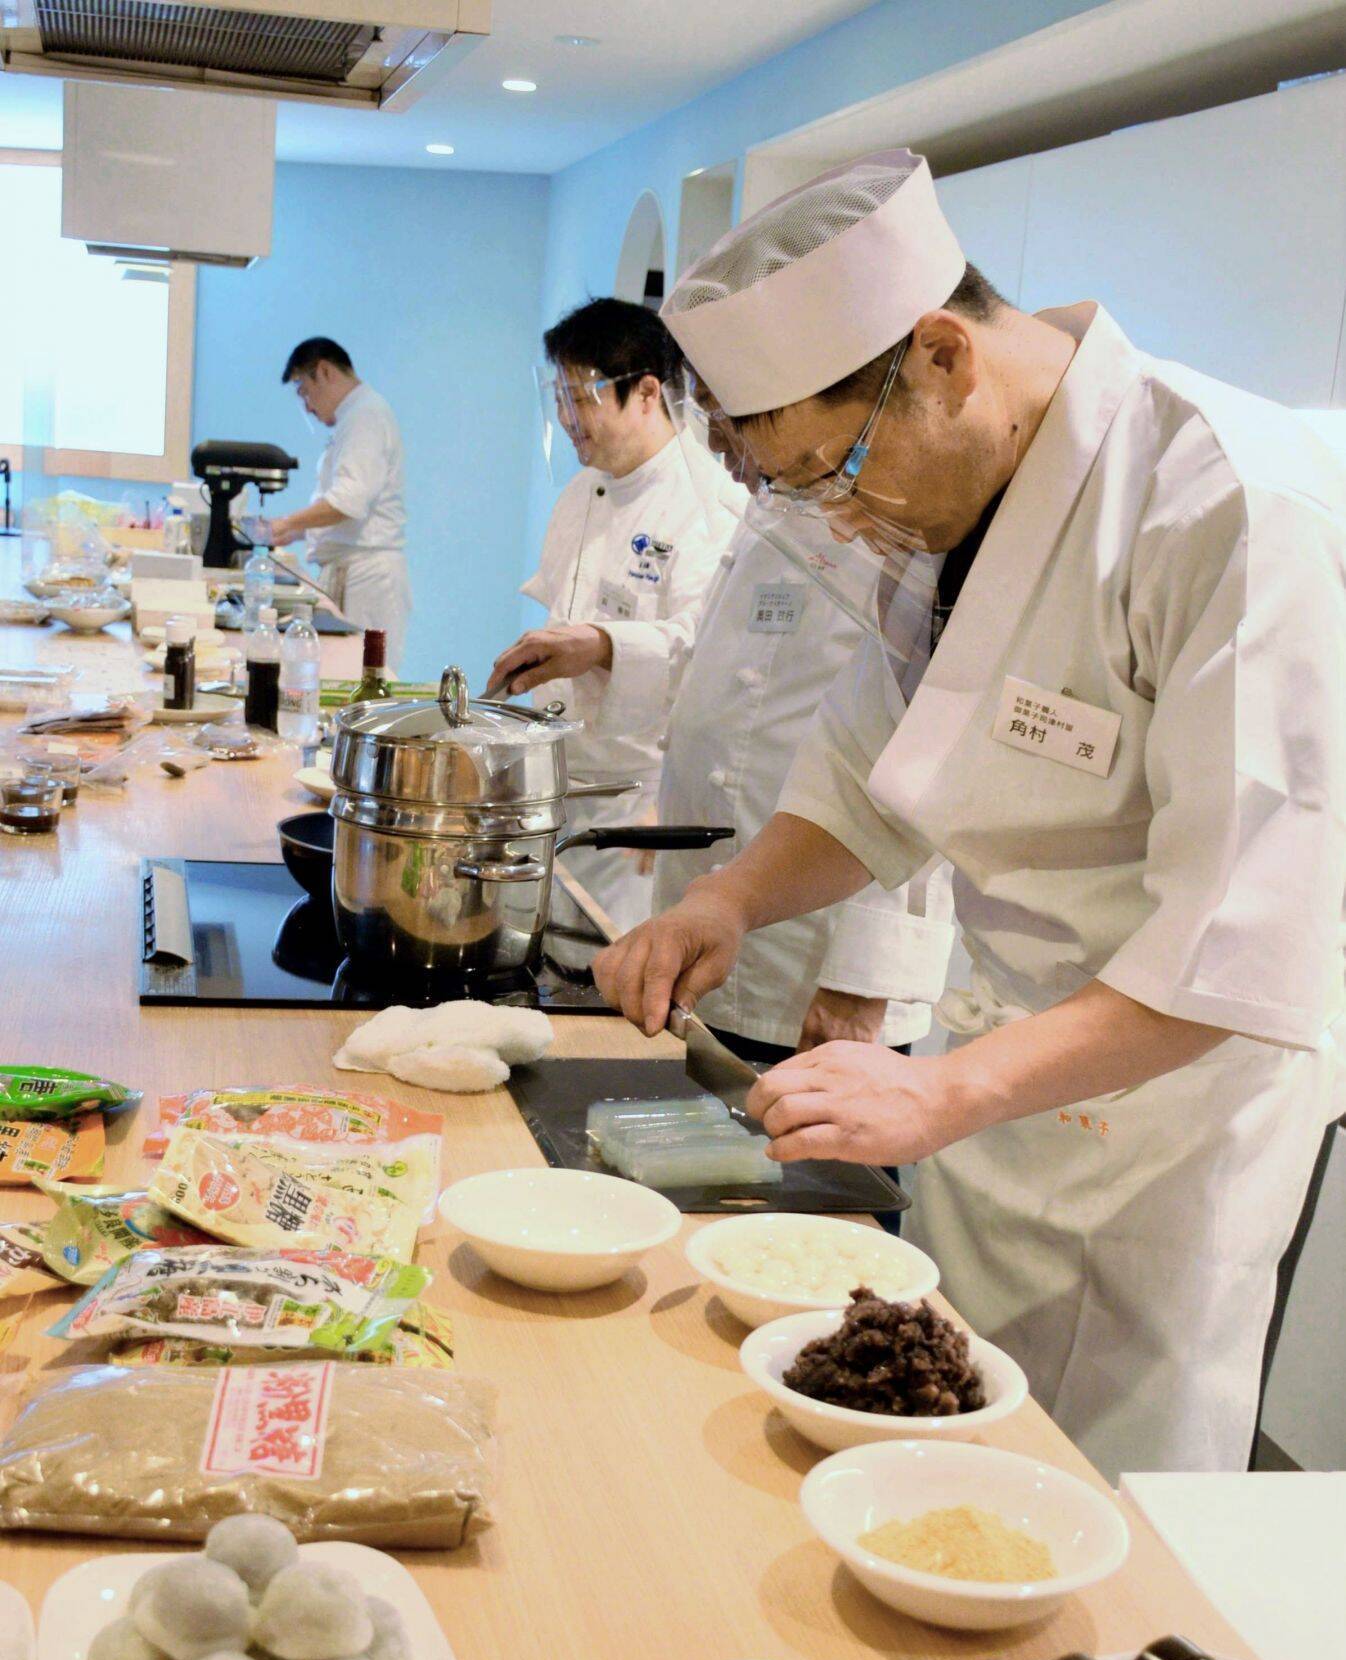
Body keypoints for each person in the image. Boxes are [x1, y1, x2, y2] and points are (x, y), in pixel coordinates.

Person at [595, 147, 1346, 1480]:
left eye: (833, 471)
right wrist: (730, 898)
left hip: (1160, 1122)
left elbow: (1236, 943)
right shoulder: (942, 506)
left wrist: (947, 1086)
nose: (838, 521)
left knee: (1102, 1490)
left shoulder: (1225, 506)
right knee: (937, 1433)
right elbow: (868, 780)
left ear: (940, 356)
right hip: (988, 1077)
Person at [656, 376, 955, 1064]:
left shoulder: (898, 512)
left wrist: (866, 977)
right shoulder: (769, 502)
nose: (714, 442)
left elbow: (918, 756)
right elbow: (716, 673)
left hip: (819, 962)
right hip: (720, 918)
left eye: (724, 417)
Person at [487, 299, 735, 934]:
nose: (567, 419)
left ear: (647, 393)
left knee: (611, 960)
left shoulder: (708, 503)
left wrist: (600, 645)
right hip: (562, 783)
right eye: (559, 400)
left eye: (581, 398)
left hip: (642, 806)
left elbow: (704, 653)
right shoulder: (581, 493)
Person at [269, 337, 411, 670]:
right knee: (346, 675)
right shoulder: (356, 417)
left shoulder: (365, 416)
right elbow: (349, 506)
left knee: (363, 677)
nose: (307, 406)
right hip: (354, 570)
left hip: (366, 577)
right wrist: (297, 532)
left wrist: (287, 523)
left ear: (325, 371)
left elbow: (348, 501)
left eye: (305, 391)